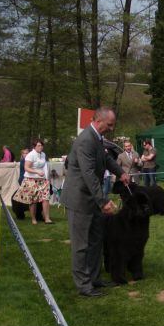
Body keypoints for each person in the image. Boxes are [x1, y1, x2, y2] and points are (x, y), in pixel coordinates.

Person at [61, 107, 131, 297]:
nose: (111, 128)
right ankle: (84, 285)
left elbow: (106, 159)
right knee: (81, 245)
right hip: (80, 200)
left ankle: (94, 279)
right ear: (98, 121)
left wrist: (121, 172)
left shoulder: (97, 138)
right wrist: (103, 201)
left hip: (91, 199)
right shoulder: (85, 140)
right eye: (109, 125)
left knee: (95, 241)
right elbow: (88, 174)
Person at [13, 139, 53, 225]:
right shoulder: (30, 155)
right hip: (31, 179)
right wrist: (37, 172)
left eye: (41, 145)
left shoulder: (43, 154)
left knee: (46, 198)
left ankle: (47, 219)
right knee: (33, 200)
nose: (40, 147)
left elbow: (44, 166)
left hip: (42, 180)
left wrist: (46, 177)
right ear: (34, 147)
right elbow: (26, 168)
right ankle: (33, 219)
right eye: (38, 145)